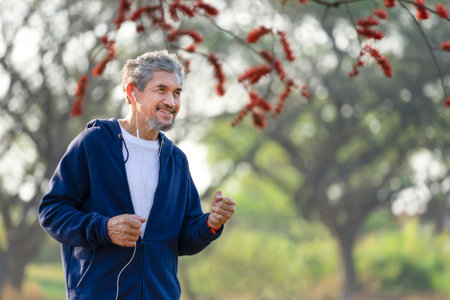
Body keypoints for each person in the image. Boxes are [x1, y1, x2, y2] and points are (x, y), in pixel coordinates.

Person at [38, 50, 236, 299]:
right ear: (132, 92)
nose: (172, 102)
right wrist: (105, 227)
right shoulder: (94, 144)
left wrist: (211, 223)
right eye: (161, 90)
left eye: (176, 93)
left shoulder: (176, 161)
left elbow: (182, 240)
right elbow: (52, 212)